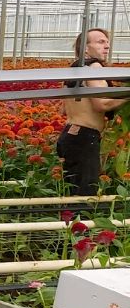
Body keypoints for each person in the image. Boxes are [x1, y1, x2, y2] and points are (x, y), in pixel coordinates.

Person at [57, 27, 126, 195]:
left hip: (70, 136)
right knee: (85, 193)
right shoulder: (94, 67)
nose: (107, 46)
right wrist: (127, 96)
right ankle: (80, 221)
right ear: (85, 48)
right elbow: (101, 104)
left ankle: (70, 221)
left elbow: (63, 109)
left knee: (72, 190)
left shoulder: (74, 69)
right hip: (84, 138)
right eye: (101, 42)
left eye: (107, 42)